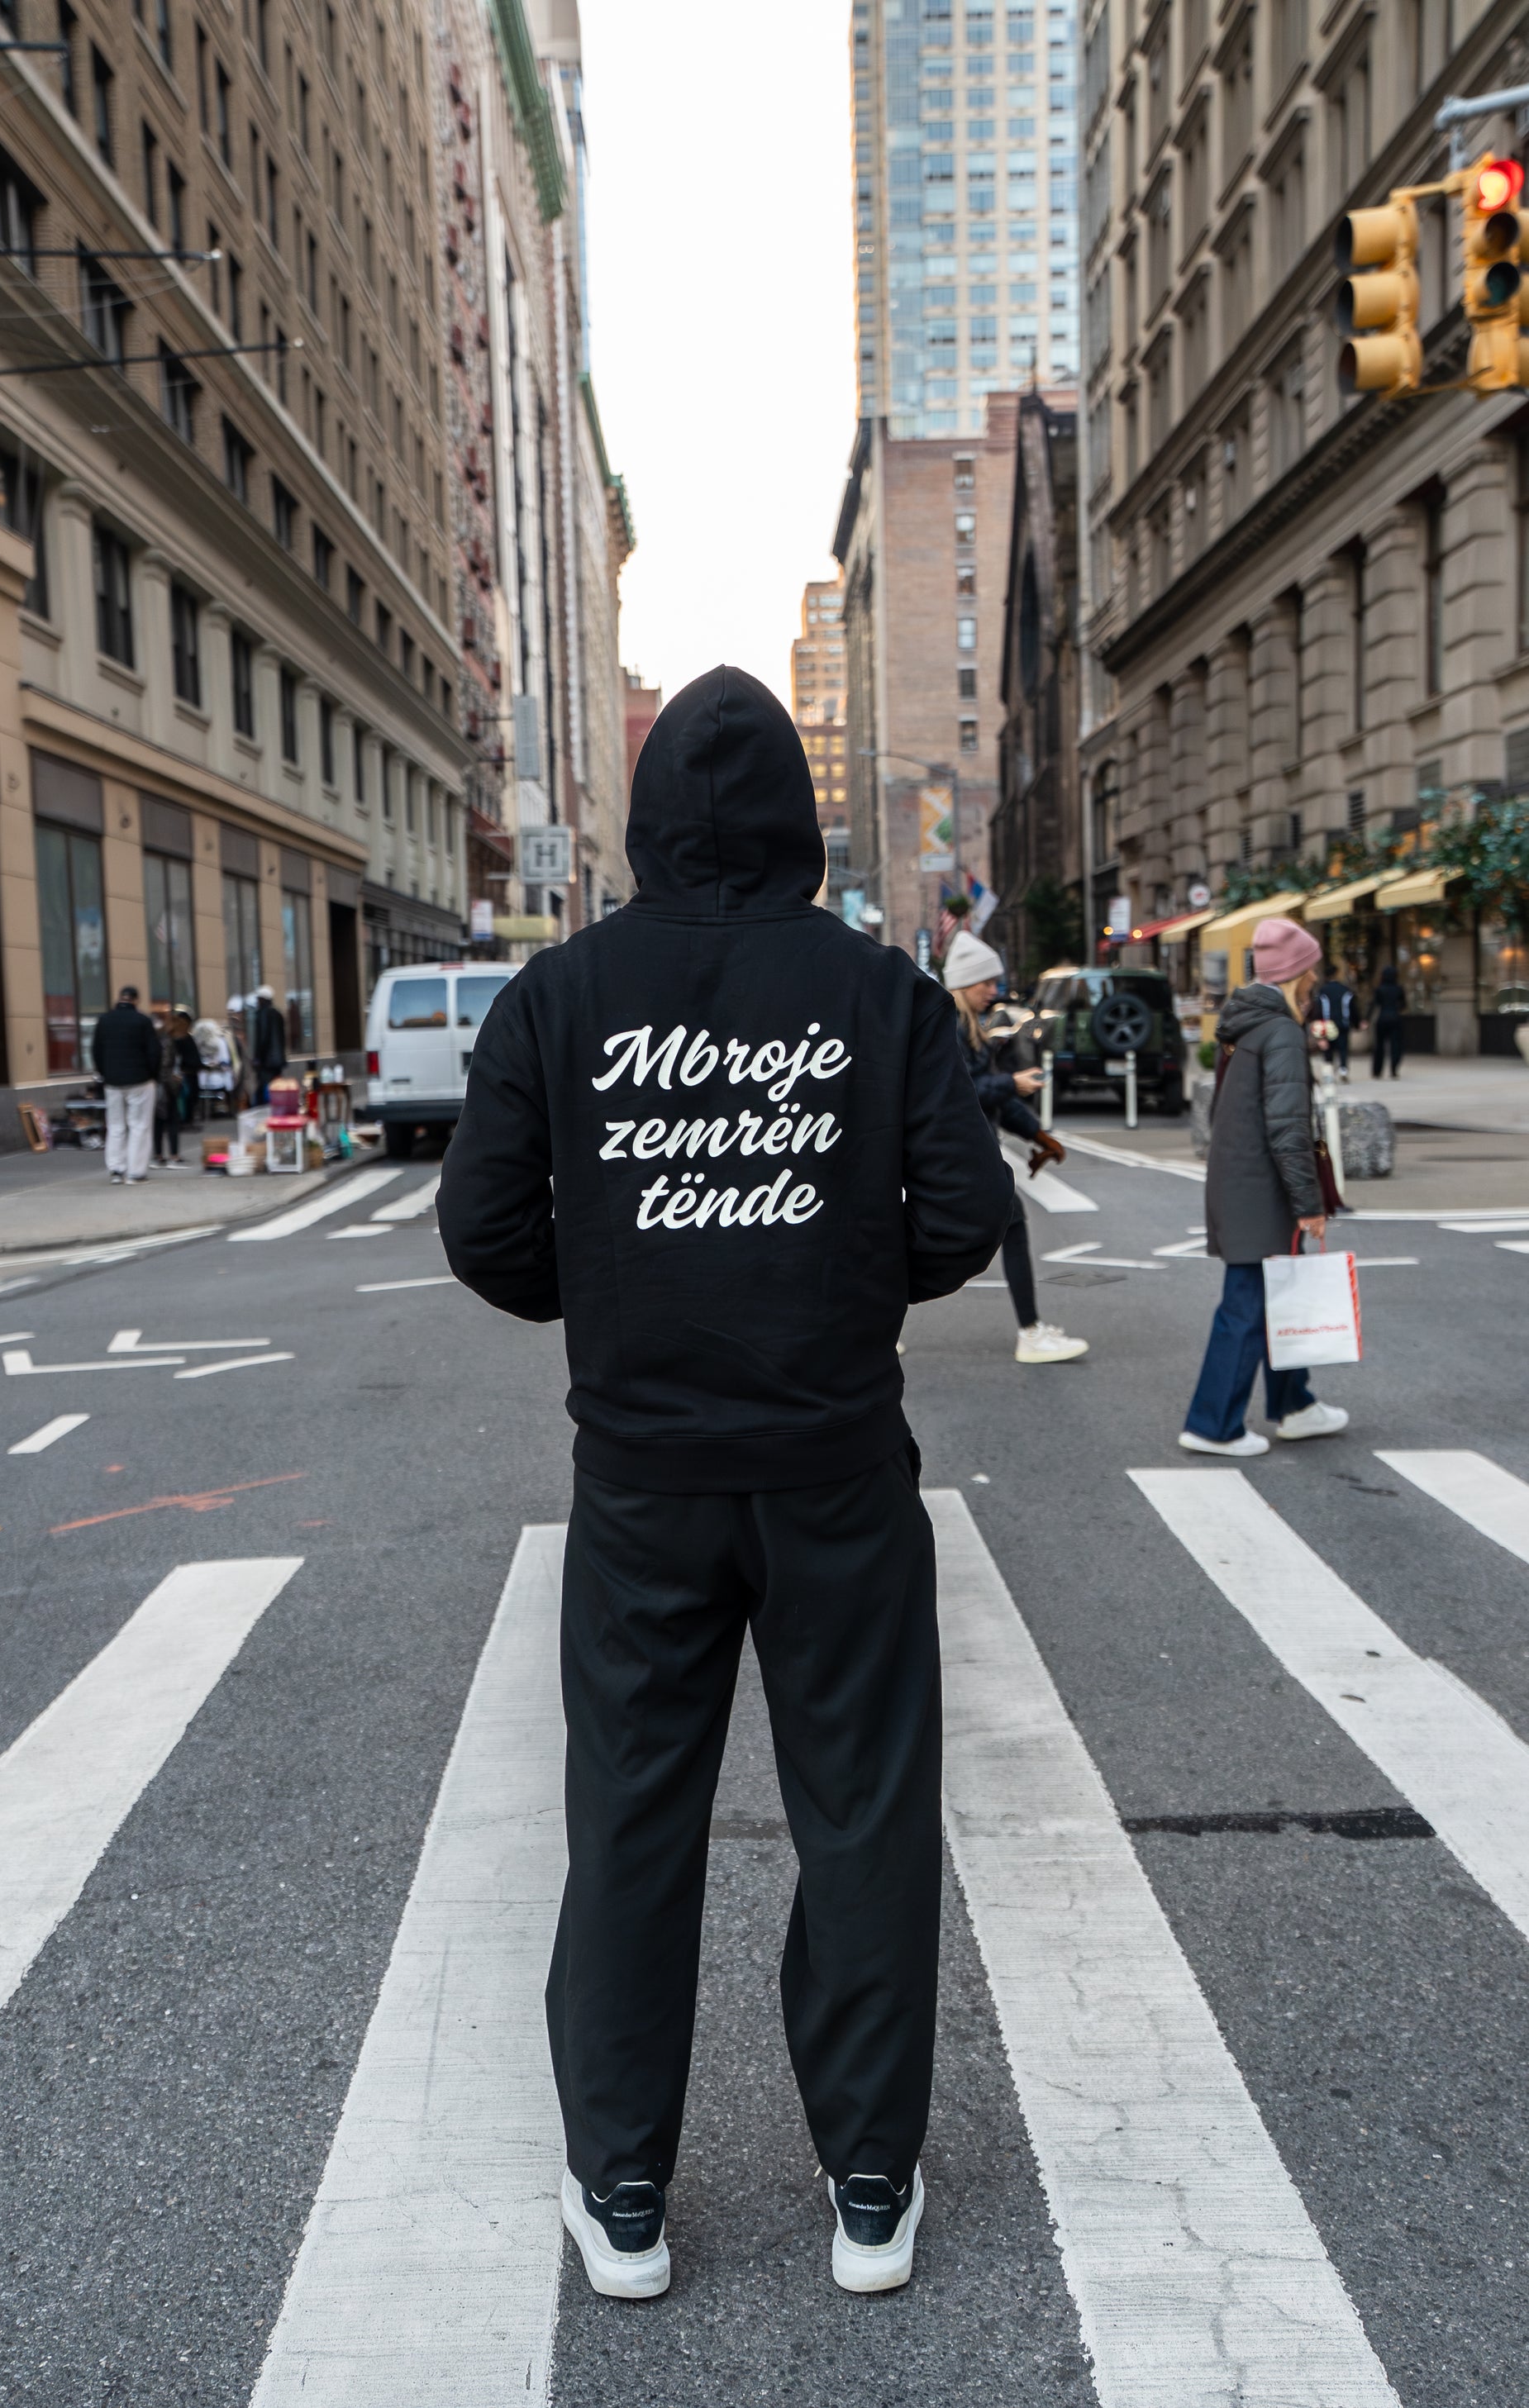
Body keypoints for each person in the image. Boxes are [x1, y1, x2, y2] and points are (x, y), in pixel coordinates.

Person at [440, 665, 1010, 2301]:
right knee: (864, 1813)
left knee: (629, 1819)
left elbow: (483, 1229)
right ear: (797, 820)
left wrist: (617, 1292)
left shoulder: (559, 995)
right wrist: (838, 1282)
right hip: (836, 1466)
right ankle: (870, 2177)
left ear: (641, 824)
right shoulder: (879, 991)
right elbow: (962, 1215)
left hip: (643, 1478)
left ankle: (623, 2181)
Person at [1179, 917, 1347, 1457]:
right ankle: (1213, 1426)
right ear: (1297, 972)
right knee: (1247, 1306)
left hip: (1240, 1181)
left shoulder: (1245, 1026)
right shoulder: (1282, 1033)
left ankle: (1296, 1405)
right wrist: (1309, 1203)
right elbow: (1289, 1128)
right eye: (1311, 969)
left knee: (1278, 1297)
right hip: (1262, 1190)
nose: (1315, 979)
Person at [942, 929, 1088, 1364]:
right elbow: (960, 1093)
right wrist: (1011, 1082)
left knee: (925, 1239)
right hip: (958, 1155)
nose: (994, 989)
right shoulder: (949, 1028)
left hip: (964, 1154)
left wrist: (1039, 1136)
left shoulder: (971, 1028)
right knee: (1011, 1225)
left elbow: (996, 1099)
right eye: (986, 982)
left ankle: (875, 1330)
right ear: (964, 982)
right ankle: (1030, 1333)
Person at [90, 984, 161, 1184]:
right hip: (140, 1080)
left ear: (120, 998)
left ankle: (116, 1169)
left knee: (115, 1126)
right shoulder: (143, 1021)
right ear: (136, 1000)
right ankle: (135, 1172)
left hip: (112, 1082)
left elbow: (96, 1051)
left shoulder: (104, 1020)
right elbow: (154, 1052)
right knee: (139, 1126)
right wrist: (152, 1075)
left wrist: (105, 1073)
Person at [154, 1011, 202, 1167]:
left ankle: (158, 1155)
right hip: (168, 1085)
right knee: (172, 1119)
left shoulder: (159, 1039)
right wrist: (175, 1079)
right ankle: (173, 1156)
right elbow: (167, 1065)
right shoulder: (169, 1042)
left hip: (159, 1084)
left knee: (159, 1121)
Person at [1311, 959, 1360, 1076]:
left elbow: (1318, 1008)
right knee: (1343, 1047)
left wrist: (1317, 1021)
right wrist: (1356, 1023)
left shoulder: (1323, 991)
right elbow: (1352, 1007)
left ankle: (1329, 1069)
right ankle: (1343, 1069)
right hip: (1343, 1023)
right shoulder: (1345, 990)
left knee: (1328, 1048)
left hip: (1328, 1024)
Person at [250, 983, 288, 1104]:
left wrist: (258, 1058)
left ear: (263, 1000)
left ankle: (265, 1106)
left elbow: (263, 1038)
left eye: (259, 999)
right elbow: (282, 1039)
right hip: (277, 1060)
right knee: (275, 1085)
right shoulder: (278, 1014)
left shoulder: (262, 1014)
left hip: (266, 1061)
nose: (257, 1002)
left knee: (264, 1086)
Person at [1370, 963, 1405, 1079]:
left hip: (1382, 1018)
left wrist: (1366, 1019)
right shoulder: (1398, 989)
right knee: (1396, 1045)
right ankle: (1394, 1069)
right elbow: (1403, 1005)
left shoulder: (1380, 989)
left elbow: (1374, 1005)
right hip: (1395, 1018)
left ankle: (1377, 1071)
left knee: (1379, 1046)